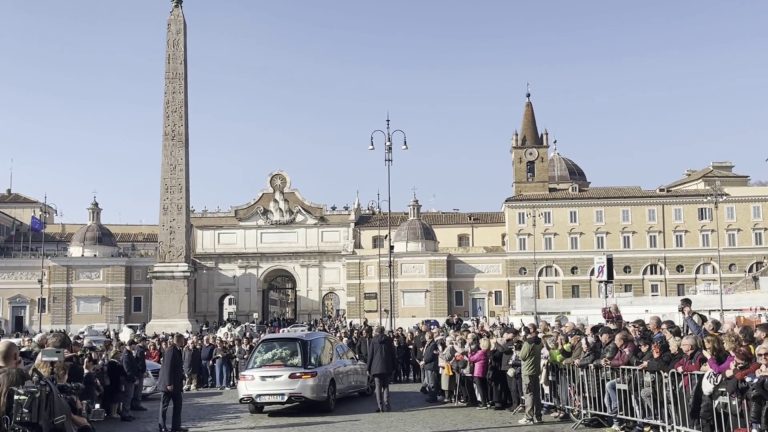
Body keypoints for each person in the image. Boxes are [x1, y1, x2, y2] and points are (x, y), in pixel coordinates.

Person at [158, 333, 187, 432]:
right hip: (169, 385)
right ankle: (162, 426)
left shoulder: (178, 350)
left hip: (176, 384)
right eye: (183, 340)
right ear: (179, 340)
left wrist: (182, 376)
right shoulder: (171, 350)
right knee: (164, 406)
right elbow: (168, 368)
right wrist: (169, 383)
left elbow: (176, 367)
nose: (184, 342)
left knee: (178, 405)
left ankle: (176, 426)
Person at [367, 326, 396, 412]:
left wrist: (368, 367)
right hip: (387, 367)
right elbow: (392, 354)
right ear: (383, 331)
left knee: (378, 387)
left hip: (376, 368)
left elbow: (370, 355)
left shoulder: (373, 340)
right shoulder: (389, 340)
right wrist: (394, 366)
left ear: (376, 332)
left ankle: (380, 406)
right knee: (386, 386)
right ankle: (387, 405)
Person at [518, 323, 543, 425]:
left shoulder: (528, 343)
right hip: (536, 370)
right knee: (536, 394)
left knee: (529, 394)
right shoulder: (539, 341)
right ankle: (538, 416)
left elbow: (522, 356)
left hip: (528, 371)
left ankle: (528, 417)